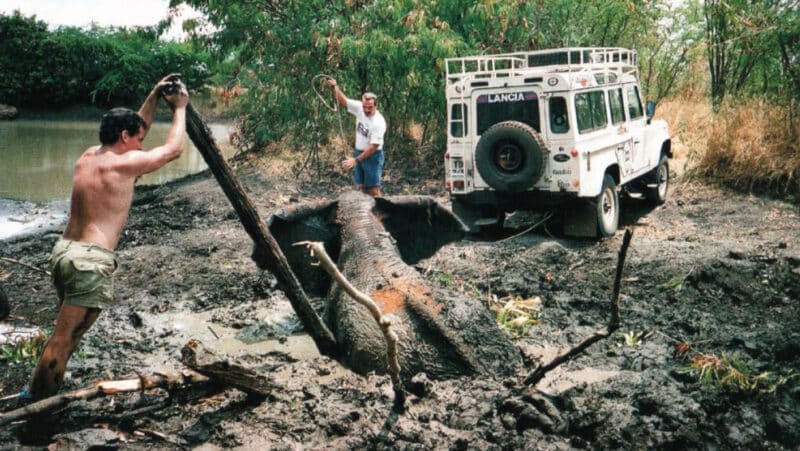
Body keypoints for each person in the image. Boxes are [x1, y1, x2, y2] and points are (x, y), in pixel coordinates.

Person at [26, 74, 189, 400]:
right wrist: (180, 109)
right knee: (64, 338)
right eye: (139, 139)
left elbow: (134, 126)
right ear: (125, 137)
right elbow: (173, 149)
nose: (142, 145)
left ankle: (42, 391)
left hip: (64, 252)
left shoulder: (89, 156)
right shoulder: (125, 165)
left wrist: (155, 94)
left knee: (66, 336)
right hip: (89, 261)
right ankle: (35, 403)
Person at [326, 78, 387, 196]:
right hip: (359, 152)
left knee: (373, 190)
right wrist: (335, 87)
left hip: (372, 156)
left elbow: (374, 147)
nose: (366, 110)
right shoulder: (360, 108)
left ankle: (377, 212)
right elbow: (344, 101)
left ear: (376, 105)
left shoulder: (378, 122)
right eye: (365, 107)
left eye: (370, 107)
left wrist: (355, 160)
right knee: (360, 187)